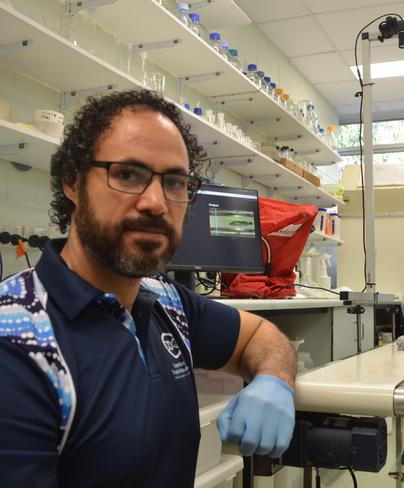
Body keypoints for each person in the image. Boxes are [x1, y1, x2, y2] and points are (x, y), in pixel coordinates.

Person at [0, 89, 297, 487]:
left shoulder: (166, 301)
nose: (156, 202)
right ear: (72, 181)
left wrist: (274, 380)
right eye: (127, 174)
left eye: (174, 182)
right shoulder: (17, 341)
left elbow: (261, 336)